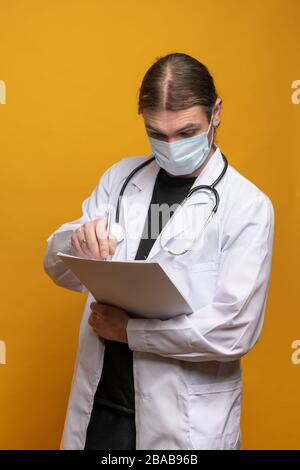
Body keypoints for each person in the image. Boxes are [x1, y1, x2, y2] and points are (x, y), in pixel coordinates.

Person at [43, 52, 275, 450]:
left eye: (186, 133)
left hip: (183, 421)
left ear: (215, 112)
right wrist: (76, 240)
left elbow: (233, 331)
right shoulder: (120, 178)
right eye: (157, 134)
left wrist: (131, 332)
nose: (171, 147)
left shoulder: (247, 206)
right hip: (104, 406)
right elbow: (59, 268)